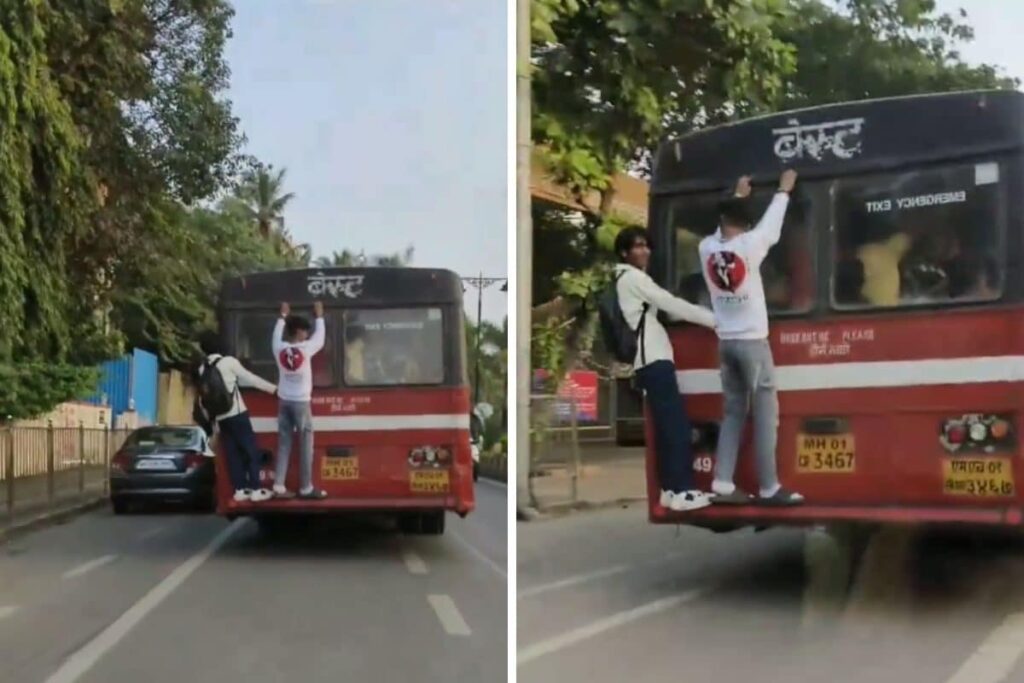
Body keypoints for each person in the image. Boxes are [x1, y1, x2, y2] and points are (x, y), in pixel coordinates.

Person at [698, 171, 804, 506]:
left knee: (732, 414)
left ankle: (723, 484)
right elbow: (772, 225)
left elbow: (726, 224)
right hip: (754, 345)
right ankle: (770, 487)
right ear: (745, 225)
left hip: (726, 344)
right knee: (765, 417)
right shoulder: (750, 245)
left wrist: (739, 196)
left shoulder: (706, 248)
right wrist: (784, 191)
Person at [614, 226, 717, 512]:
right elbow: (670, 303)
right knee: (675, 427)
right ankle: (683, 490)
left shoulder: (622, 278)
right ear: (624, 252)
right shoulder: (633, 278)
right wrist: (716, 320)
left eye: (646, 245)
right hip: (654, 360)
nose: (644, 251)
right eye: (637, 246)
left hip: (648, 360)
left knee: (667, 427)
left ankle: (670, 491)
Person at [196, 331, 277, 503]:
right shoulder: (229, 362)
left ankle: (239, 490)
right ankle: (255, 489)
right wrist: (274, 389)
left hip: (220, 417)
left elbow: (203, 397)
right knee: (251, 450)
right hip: (237, 414)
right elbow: (252, 379)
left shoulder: (203, 368)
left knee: (232, 453)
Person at [271, 302, 328, 499]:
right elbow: (320, 339)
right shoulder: (305, 349)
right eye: (305, 331)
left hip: (284, 402)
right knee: (305, 446)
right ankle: (306, 487)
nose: (307, 334)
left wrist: (282, 316)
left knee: (284, 443)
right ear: (299, 332)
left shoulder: (279, 349)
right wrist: (319, 316)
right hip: (301, 404)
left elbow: (276, 336)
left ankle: (278, 486)